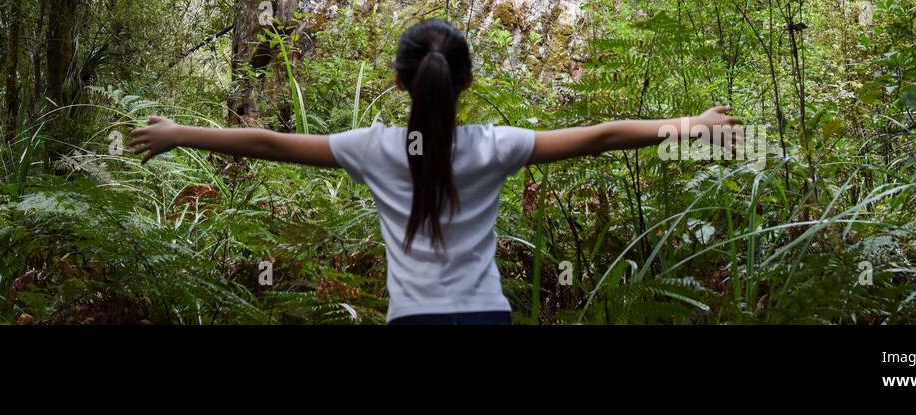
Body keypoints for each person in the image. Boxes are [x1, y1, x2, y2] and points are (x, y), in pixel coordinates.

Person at [129, 18, 741, 324]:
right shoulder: (495, 147)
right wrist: (690, 124)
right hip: (486, 316)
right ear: (468, 82)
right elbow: (603, 138)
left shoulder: (375, 150)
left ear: (400, 83)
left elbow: (268, 143)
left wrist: (177, 133)